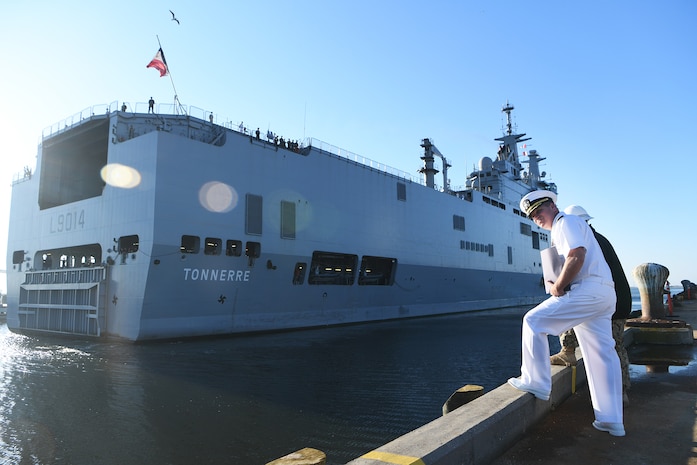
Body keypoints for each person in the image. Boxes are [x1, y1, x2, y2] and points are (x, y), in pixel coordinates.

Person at [508, 190, 625, 437]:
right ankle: (611, 419)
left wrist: (557, 287)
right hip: (603, 294)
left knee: (533, 321)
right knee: (601, 355)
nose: (536, 217)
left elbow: (576, 255)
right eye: (532, 215)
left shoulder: (566, 222)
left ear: (552, 205)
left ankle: (536, 382)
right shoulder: (568, 227)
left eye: (539, 210)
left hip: (588, 291)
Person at [550, 205, 632, 404]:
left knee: (609, 347)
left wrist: (557, 284)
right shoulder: (599, 239)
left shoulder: (587, 243)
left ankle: (568, 352)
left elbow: (577, 278)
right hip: (618, 301)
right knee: (614, 347)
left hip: (608, 302)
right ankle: (621, 392)